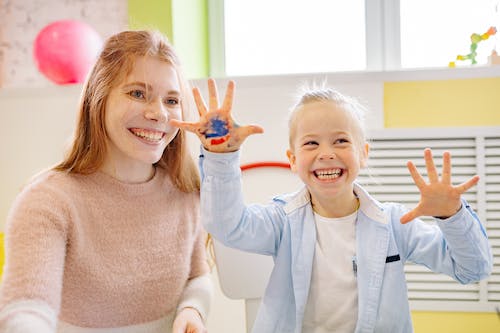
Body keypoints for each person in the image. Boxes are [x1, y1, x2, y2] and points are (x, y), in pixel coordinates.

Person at [171, 79, 493, 333]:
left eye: (340, 141)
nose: (326, 153)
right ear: (293, 160)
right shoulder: (281, 220)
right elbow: (227, 226)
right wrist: (221, 158)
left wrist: (451, 216)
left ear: (363, 154)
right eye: (311, 143)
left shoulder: (396, 222)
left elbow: (472, 268)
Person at [0, 30, 212, 333]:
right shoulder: (47, 201)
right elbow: (27, 307)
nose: (158, 113)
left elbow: (198, 276)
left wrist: (193, 310)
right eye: (137, 93)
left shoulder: (184, 191)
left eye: (172, 100)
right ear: (98, 99)